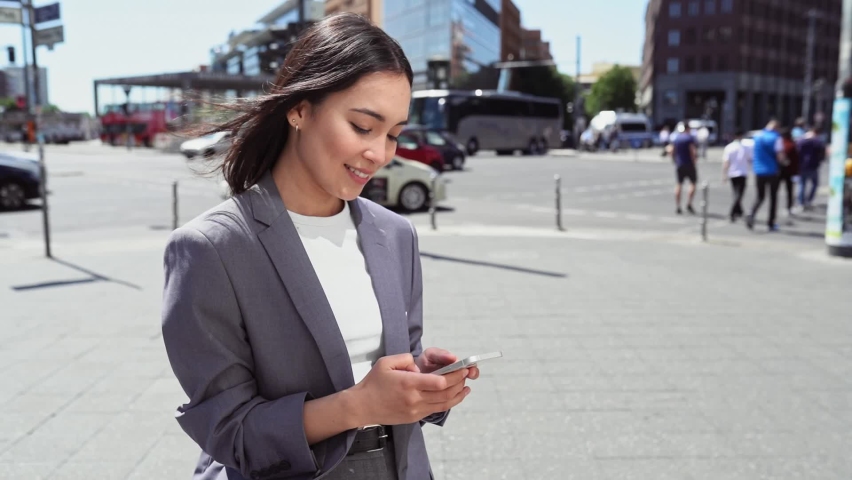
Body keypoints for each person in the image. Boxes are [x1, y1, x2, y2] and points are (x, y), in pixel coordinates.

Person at [160, 14, 479, 480]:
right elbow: (229, 433)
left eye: (393, 134)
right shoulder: (212, 249)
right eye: (363, 126)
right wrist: (357, 405)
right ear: (300, 109)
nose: (381, 154)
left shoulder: (395, 235)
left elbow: (396, 360)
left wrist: (422, 381)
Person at [746, 120, 786, 231]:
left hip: (758, 171)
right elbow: (780, 156)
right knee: (773, 197)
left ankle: (751, 213)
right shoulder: (776, 138)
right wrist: (784, 163)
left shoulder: (757, 136)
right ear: (776, 128)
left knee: (760, 196)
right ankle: (771, 223)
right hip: (772, 171)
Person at [721, 130, 752, 222]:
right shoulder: (746, 147)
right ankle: (733, 212)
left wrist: (724, 174)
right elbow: (750, 159)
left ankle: (739, 211)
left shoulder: (729, 147)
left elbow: (726, 162)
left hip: (732, 173)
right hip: (742, 173)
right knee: (739, 194)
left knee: (736, 193)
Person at [670, 121, 698, 214]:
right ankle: (689, 203)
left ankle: (678, 206)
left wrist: (674, 160)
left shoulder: (677, 138)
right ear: (688, 128)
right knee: (692, 184)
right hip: (689, 163)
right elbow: (692, 151)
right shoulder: (689, 138)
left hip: (679, 164)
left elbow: (672, 150)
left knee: (679, 184)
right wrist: (694, 161)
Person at [796, 127, 827, 210]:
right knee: (814, 184)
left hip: (802, 165)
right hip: (813, 165)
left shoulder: (801, 140)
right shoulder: (818, 142)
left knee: (802, 185)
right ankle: (809, 200)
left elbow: (797, 152)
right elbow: (822, 153)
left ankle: (801, 202)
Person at [778, 128, 800, 222]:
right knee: (789, 191)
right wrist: (796, 172)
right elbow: (796, 160)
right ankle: (788, 208)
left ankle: (775, 208)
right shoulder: (792, 145)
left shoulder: (779, 144)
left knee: (775, 190)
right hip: (790, 172)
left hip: (778, 171)